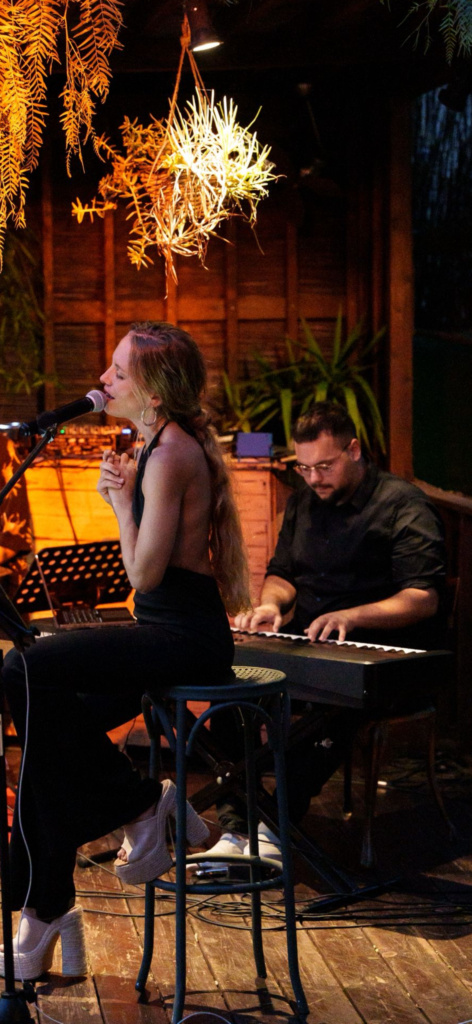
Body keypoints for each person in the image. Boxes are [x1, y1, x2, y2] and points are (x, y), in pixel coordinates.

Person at [0, 321, 250, 981]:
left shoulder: (170, 454)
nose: (103, 379)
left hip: (185, 637)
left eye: (116, 370)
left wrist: (118, 501)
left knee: (21, 667)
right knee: (46, 733)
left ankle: (140, 804)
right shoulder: (156, 444)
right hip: (162, 628)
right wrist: (125, 489)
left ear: (152, 390)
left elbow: (143, 574)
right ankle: (47, 910)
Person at [204, 400, 447, 865]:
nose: (313, 478)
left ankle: (274, 827)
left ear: (353, 450)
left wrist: (351, 617)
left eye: (324, 466)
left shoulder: (403, 504)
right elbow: (282, 573)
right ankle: (237, 828)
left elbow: (423, 597)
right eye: (305, 467)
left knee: (327, 710)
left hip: (384, 653)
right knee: (231, 698)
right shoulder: (302, 502)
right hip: (309, 643)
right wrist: (270, 605)